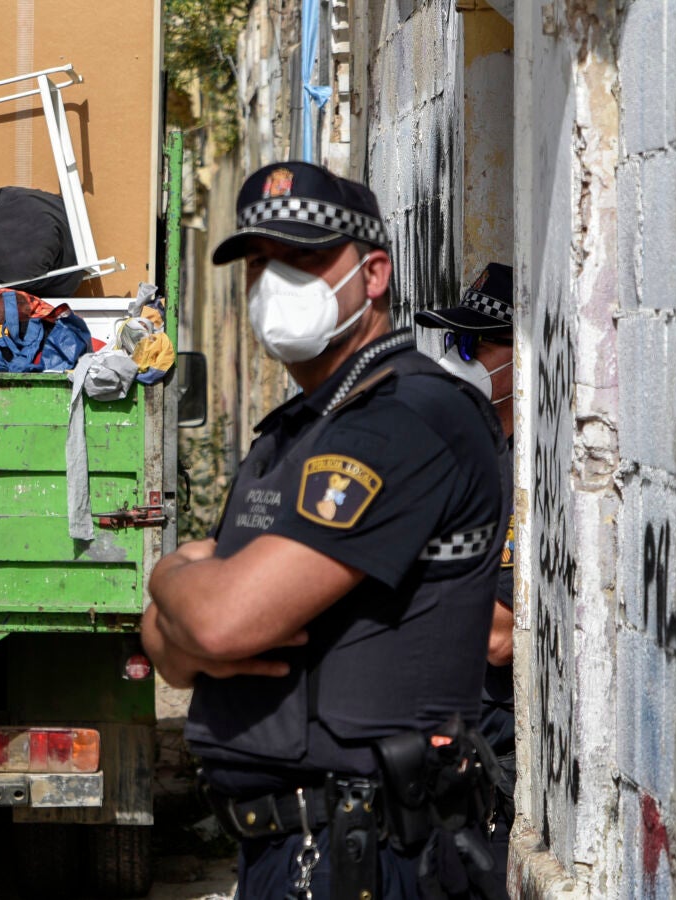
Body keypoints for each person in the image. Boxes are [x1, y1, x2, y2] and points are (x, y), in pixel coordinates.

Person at [141, 161, 507, 899]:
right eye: (258, 262)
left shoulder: (406, 419)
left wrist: (167, 572)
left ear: (373, 275)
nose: (273, 281)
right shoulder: (295, 433)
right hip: (293, 851)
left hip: (369, 854)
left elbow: (216, 623)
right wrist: (191, 607)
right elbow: (169, 656)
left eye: (302, 258)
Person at [415, 263, 517, 869]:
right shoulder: (470, 455)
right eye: (455, 340)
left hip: (498, 754)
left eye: (477, 344)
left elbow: (498, 638)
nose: (459, 357)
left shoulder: (524, 473)